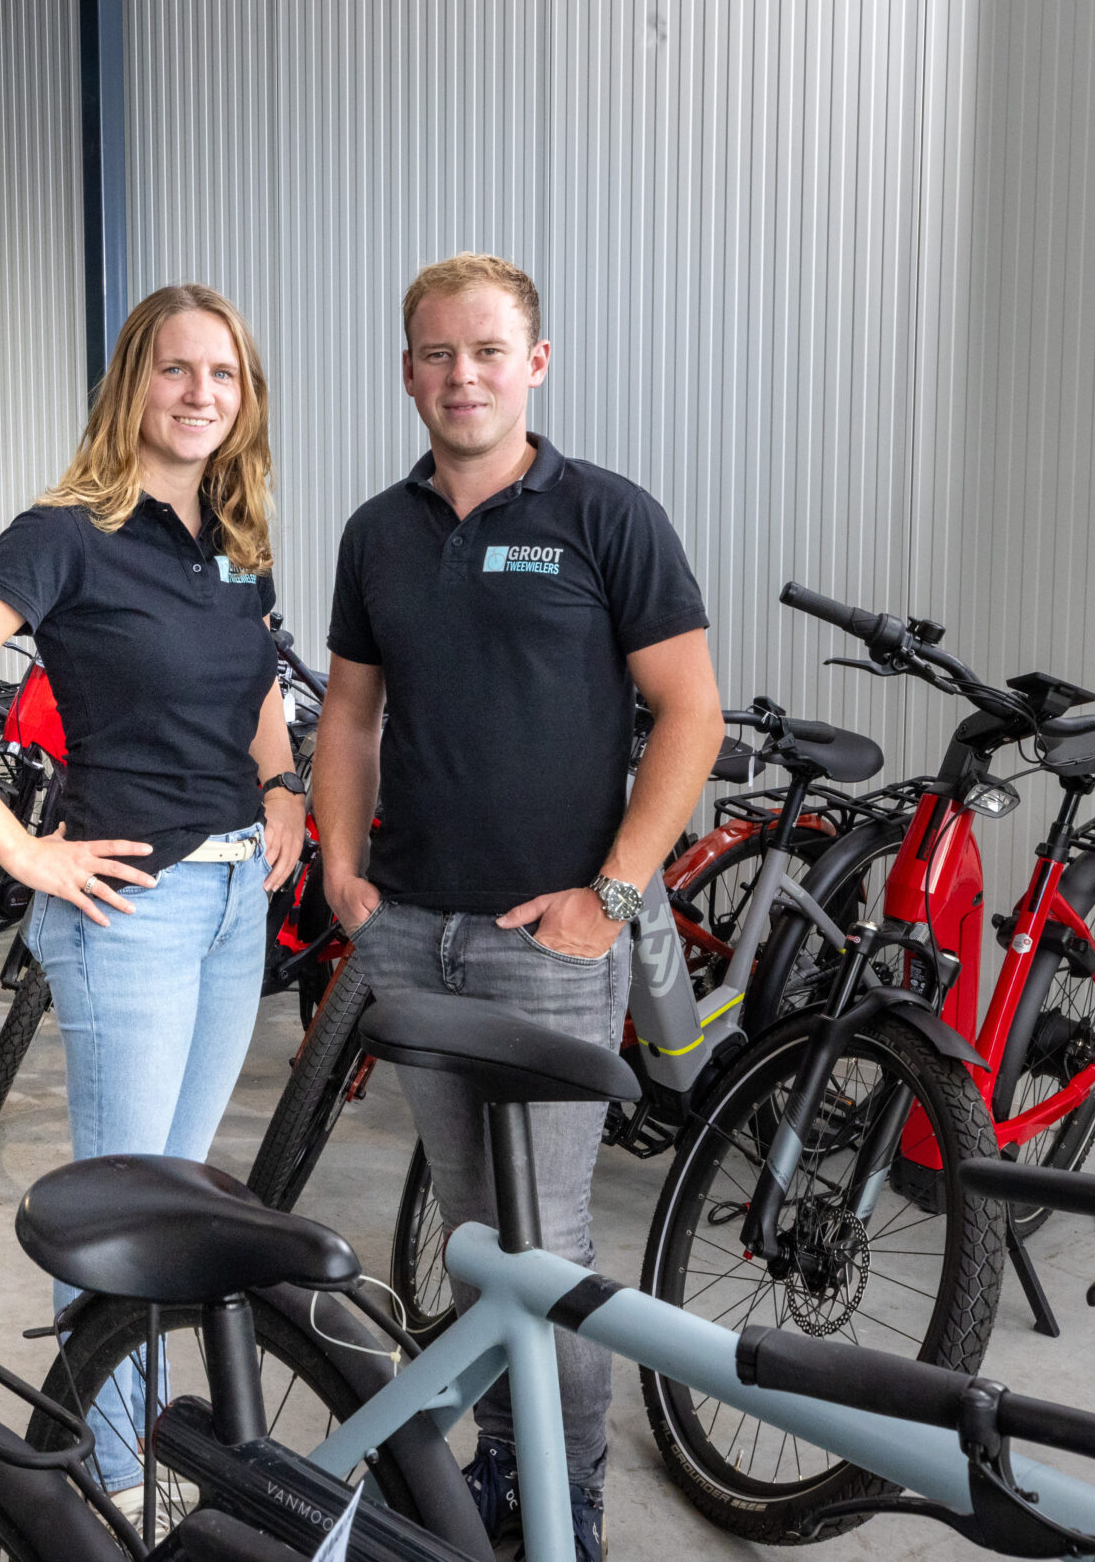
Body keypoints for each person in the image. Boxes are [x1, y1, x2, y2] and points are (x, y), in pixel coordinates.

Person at [310, 253, 722, 1562]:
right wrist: (338, 870)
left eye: (487, 351)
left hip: (553, 949)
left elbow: (691, 714)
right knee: (482, 1239)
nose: (462, 375)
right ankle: (500, 1479)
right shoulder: (378, 532)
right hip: (416, 937)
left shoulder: (607, 515)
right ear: (408, 369)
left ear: (534, 364)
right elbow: (350, 713)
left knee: (548, 1251)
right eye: (437, 352)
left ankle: (569, 1519)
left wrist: (613, 895)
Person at [0, 284, 305, 1503]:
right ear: (133, 383)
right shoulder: (67, 529)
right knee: (119, 1224)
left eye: (223, 374)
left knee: (176, 1205)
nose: (201, 394)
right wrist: (22, 849)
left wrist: (280, 787)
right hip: (132, 911)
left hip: (231, 906)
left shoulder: (234, 533)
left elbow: (257, 681)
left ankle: (124, 1440)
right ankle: (112, 1488)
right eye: (177, 370)